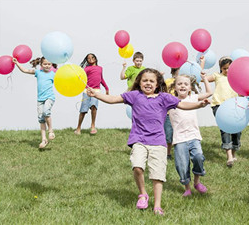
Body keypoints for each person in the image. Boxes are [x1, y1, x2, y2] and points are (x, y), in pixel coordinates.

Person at [87, 68, 210, 215]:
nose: (148, 83)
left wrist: (200, 104)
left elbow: (183, 105)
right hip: (139, 139)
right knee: (137, 167)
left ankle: (157, 206)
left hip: (158, 141)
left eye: (152, 81)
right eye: (145, 80)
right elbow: (113, 99)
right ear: (139, 82)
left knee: (157, 175)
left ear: (158, 84)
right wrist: (96, 94)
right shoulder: (134, 96)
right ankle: (143, 194)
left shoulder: (164, 98)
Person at [169, 70, 212, 197]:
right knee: (182, 165)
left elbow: (209, 93)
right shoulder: (171, 101)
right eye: (180, 84)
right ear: (175, 87)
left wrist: (204, 79)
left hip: (194, 136)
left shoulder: (193, 97)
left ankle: (197, 182)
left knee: (198, 157)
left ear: (190, 88)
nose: (182, 86)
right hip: (179, 138)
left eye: (186, 84)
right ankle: (187, 188)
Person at [13, 57, 56, 149]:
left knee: (46, 112)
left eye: (49, 64)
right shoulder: (38, 72)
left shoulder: (54, 73)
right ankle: (44, 139)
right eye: (45, 64)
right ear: (41, 65)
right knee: (41, 119)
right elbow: (24, 70)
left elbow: (66, 76)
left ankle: (51, 130)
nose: (47, 66)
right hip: (40, 99)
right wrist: (17, 63)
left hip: (50, 97)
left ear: (51, 65)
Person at [205, 56, 240, 167]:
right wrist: (201, 65)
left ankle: (233, 153)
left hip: (234, 106)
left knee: (236, 130)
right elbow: (203, 78)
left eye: (229, 68)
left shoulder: (236, 78)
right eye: (224, 68)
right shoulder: (217, 76)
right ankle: (229, 156)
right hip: (219, 105)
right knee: (225, 129)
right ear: (221, 68)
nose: (227, 70)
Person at [74, 53, 109, 135]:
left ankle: (93, 125)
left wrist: (106, 88)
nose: (90, 59)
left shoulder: (100, 68)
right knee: (83, 110)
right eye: (88, 58)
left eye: (92, 57)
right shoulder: (86, 68)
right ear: (87, 60)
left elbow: (101, 79)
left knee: (94, 106)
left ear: (95, 59)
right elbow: (81, 76)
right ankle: (78, 128)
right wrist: (79, 76)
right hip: (87, 91)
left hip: (96, 91)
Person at [164, 67, 180, 160]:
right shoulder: (167, 81)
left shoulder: (183, 81)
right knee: (169, 134)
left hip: (180, 112)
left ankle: (179, 153)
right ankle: (168, 153)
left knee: (179, 134)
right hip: (169, 112)